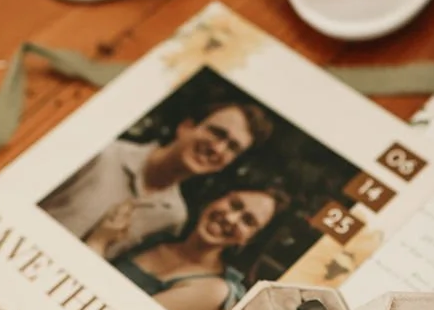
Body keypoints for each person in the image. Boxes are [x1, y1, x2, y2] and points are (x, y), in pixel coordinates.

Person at [38, 96, 273, 258]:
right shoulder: (103, 152)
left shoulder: (173, 217)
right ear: (186, 127)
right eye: (216, 132)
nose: (218, 149)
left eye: (232, 147)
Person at [88, 187, 287, 310]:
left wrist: (98, 241)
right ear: (217, 198)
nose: (232, 218)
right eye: (234, 205)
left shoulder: (215, 291)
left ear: (249, 239)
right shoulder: (160, 238)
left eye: (248, 221)